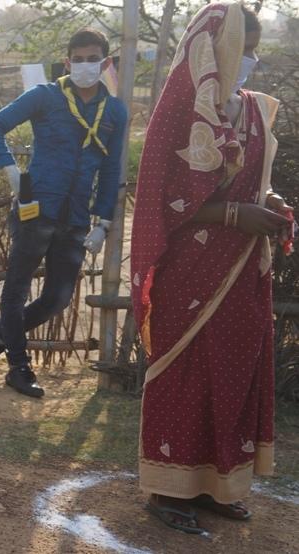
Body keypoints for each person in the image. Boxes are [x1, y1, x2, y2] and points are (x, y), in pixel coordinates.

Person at [131, 3, 293, 534]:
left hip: (243, 267)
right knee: (185, 371)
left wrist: (269, 200)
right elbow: (163, 198)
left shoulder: (249, 109)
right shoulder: (180, 111)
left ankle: (217, 485)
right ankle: (167, 486)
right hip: (192, 269)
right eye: (242, 47)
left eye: (254, 47)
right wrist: (233, 213)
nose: (250, 58)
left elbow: (255, 178)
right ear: (213, 48)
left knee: (232, 371)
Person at [0, 29, 128, 397]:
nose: (84, 66)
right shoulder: (45, 96)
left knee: (58, 298)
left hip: (76, 217)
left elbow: (111, 170)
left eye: (92, 59)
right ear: (67, 62)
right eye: (77, 59)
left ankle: (0, 331)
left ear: (105, 63)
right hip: (35, 209)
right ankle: (18, 367)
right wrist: (11, 172)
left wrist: (104, 221)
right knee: (15, 290)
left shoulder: (115, 111)